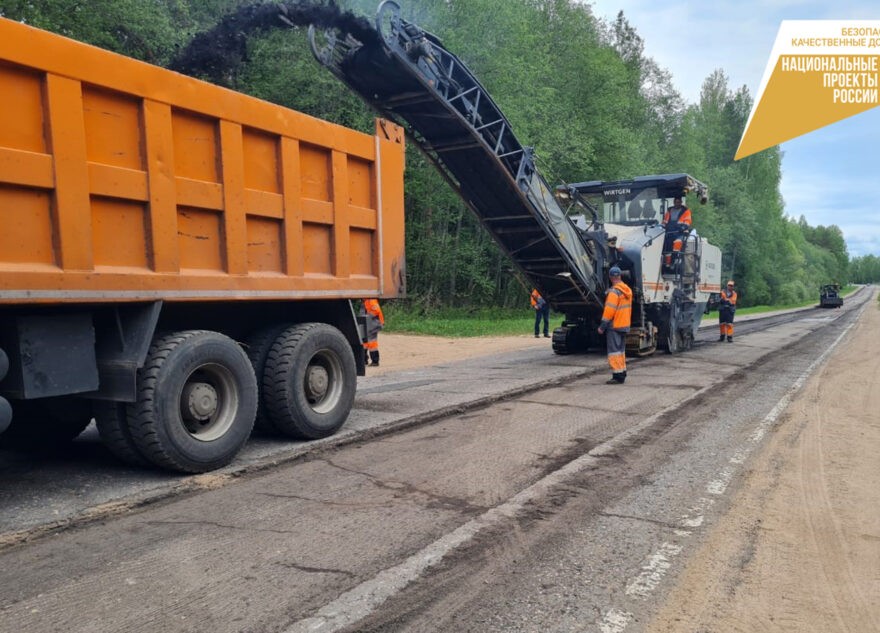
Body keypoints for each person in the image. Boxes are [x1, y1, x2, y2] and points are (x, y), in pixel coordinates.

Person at [597, 266, 632, 384]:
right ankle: (622, 371)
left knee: (614, 351)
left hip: (614, 325)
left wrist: (602, 326)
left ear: (611, 278)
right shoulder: (627, 290)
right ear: (620, 276)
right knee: (621, 351)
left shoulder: (614, 292)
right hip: (624, 324)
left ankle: (617, 376)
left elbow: (609, 311)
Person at [361, 298, 385, 366]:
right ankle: (364, 360)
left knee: (371, 342)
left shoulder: (370, 300)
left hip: (373, 323)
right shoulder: (366, 301)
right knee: (365, 342)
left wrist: (366, 317)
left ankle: (374, 361)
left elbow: (376, 311)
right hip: (370, 323)